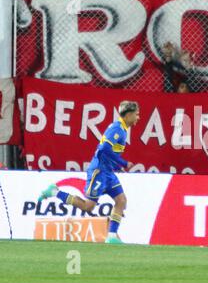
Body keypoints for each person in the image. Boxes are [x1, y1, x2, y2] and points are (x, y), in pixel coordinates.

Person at [38, 101, 140, 244]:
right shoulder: (117, 129)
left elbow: (108, 151)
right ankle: (54, 192)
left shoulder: (122, 129)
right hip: (99, 171)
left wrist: (116, 165)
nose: (138, 118)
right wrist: (123, 163)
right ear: (128, 115)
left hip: (108, 172)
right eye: (136, 114)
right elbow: (104, 148)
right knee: (88, 206)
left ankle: (111, 236)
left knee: (121, 200)